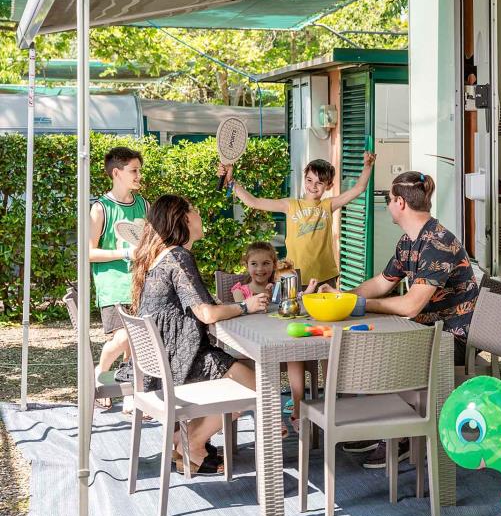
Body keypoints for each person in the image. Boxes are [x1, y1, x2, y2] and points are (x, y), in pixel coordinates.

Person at [319, 171, 479, 468]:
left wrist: (362, 304)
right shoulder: (408, 241)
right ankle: (377, 427)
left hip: (449, 341)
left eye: (389, 199)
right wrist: (342, 298)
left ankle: (399, 436)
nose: (388, 205)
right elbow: (382, 282)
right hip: (422, 332)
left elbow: (410, 306)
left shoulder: (438, 243)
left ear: (400, 203)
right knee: (361, 349)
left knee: (377, 355)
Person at [130, 194, 268, 475]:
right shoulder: (178, 256)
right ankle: (192, 443)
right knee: (257, 386)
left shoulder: (159, 257)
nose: (199, 215)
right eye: (194, 210)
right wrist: (246, 306)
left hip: (163, 361)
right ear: (182, 219)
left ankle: (183, 440)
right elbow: (206, 314)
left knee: (238, 372)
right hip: (181, 360)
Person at [218, 152, 376, 290]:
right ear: (304, 179)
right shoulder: (291, 205)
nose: (313, 186)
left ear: (329, 185)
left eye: (319, 182)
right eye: (309, 180)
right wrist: (231, 182)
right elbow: (254, 202)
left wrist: (367, 166)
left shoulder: (328, 205)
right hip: (295, 276)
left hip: (326, 276)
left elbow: (359, 189)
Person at [231, 243, 314, 438]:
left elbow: (296, 303)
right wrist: (261, 299)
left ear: (274, 265)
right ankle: (272, 416)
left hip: (279, 343)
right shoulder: (240, 291)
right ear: (246, 265)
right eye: (254, 264)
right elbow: (240, 313)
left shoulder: (281, 287)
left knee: (295, 355)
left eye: (266, 263)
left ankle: (297, 410)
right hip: (250, 345)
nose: (260, 269)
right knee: (269, 362)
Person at [89, 146, 149, 407]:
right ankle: (100, 373)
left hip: (140, 284)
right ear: (116, 173)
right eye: (134, 171)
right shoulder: (100, 209)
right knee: (124, 337)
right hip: (113, 286)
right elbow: (88, 253)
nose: (139, 176)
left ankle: (130, 393)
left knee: (137, 341)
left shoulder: (144, 204)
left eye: (139, 170)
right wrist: (125, 253)